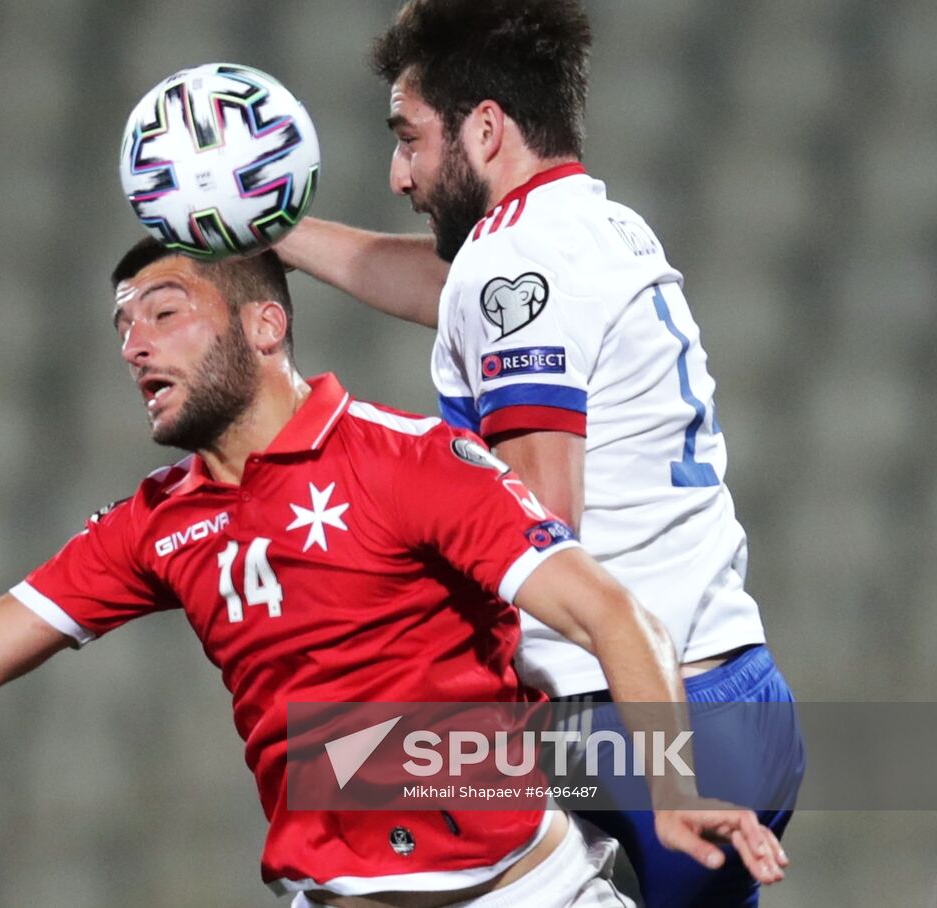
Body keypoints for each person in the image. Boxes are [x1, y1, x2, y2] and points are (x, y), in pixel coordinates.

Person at [0, 238, 787, 907]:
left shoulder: (410, 462)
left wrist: (672, 776)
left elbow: (604, 606)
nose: (132, 344)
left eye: (163, 311)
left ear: (261, 321)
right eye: (120, 325)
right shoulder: (158, 524)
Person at [273, 1, 805, 905]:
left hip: (632, 731)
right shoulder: (593, 227)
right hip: (736, 700)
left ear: (484, 128)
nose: (399, 174)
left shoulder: (516, 265)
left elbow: (537, 518)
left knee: (343, 785)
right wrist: (270, 230)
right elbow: (446, 287)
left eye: (410, 138)